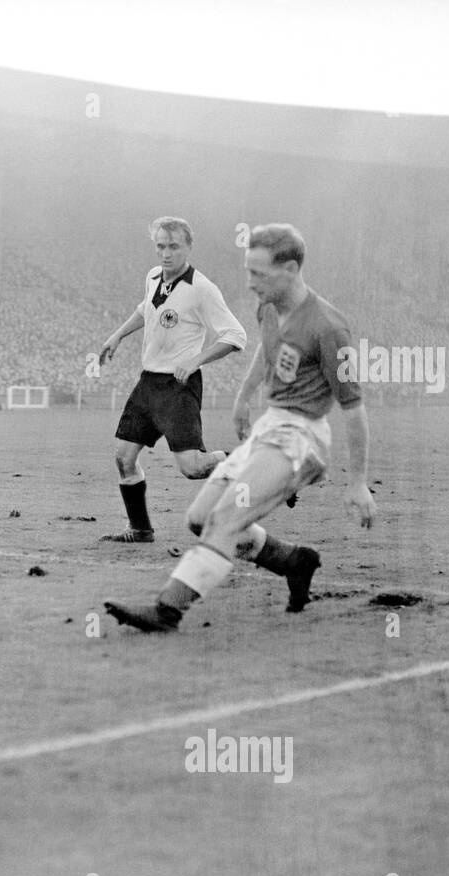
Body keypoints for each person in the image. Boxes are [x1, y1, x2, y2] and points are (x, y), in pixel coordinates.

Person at [105, 223, 376, 633]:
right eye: (247, 272)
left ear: (289, 268)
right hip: (270, 427)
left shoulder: (329, 328)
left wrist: (358, 483)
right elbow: (266, 356)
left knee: (225, 519)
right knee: (199, 518)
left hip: (302, 439)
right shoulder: (268, 306)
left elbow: (354, 410)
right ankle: (292, 561)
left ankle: (166, 611)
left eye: (258, 274)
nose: (249, 283)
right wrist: (244, 396)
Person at [96, 216, 247, 543]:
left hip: (178, 389)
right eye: (160, 246)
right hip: (148, 383)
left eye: (174, 246)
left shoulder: (202, 289)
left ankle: (242, 461)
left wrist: (196, 360)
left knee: (192, 468)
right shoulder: (152, 277)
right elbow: (144, 309)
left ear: (189, 247)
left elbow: (236, 335)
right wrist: (117, 335)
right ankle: (140, 529)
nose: (166, 253)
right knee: (123, 457)